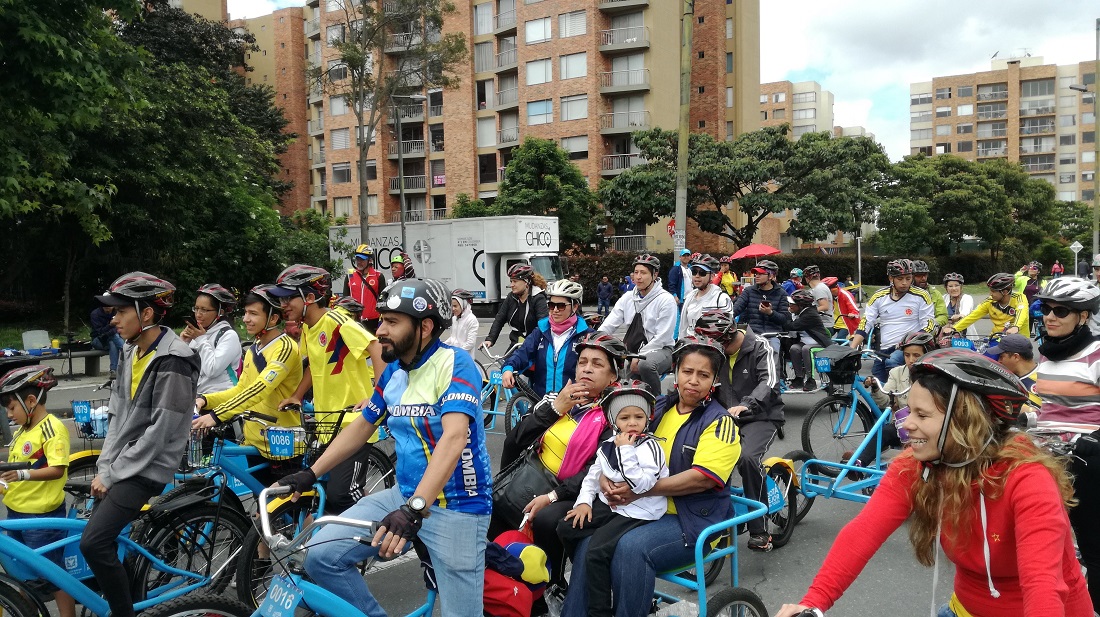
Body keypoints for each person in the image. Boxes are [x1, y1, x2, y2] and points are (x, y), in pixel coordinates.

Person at [776, 348, 1091, 617]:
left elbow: (1043, 584)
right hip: (964, 608)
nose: (906, 424)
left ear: (964, 421)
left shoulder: (1027, 478)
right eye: (909, 411)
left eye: (922, 416)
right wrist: (812, 604)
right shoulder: (916, 465)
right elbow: (861, 535)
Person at [279, 278, 492, 617]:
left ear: (424, 327)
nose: (380, 330)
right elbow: (363, 425)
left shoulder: (455, 364)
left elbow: (454, 438)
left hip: (458, 506)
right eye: (381, 320)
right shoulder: (394, 371)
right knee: (321, 556)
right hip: (403, 495)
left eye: (392, 322)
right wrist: (310, 472)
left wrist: (414, 509)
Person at [560, 335, 741, 617]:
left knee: (630, 549)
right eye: (687, 371)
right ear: (676, 372)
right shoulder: (657, 408)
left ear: (714, 379)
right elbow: (617, 446)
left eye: (703, 375)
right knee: (587, 544)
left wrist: (641, 491)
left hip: (691, 519)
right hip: (640, 510)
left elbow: (702, 478)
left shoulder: (720, 422)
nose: (693, 380)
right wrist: (604, 479)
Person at [85, 272, 199, 617]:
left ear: (146, 313)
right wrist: (105, 467)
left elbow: (161, 431)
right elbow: (118, 416)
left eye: (120, 311)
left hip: (149, 467)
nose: (113, 319)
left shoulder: (175, 358)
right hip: (125, 464)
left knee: (93, 544)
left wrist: (114, 473)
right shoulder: (132, 351)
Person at [492, 332, 625, 602]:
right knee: (494, 505)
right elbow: (514, 442)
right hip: (533, 475)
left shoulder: (616, 414)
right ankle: (500, 587)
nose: (586, 368)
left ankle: (549, 587)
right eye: (582, 362)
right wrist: (555, 409)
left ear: (613, 377)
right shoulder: (556, 398)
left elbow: (595, 469)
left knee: (547, 519)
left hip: (577, 491)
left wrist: (553, 496)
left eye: (597, 364)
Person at [270, 264, 387, 513]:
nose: (283, 305)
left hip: (354, 422)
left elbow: (375, 346)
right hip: (328, 424)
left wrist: (377, 394)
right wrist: (297, 395)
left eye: (289, 298)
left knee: (342, 495)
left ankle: (381, 528)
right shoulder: (309, 328)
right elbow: (316, 363)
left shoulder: (335, 320)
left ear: (309, 298)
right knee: (323, 493)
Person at [557, 381, 668, 617]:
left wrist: (627, 450)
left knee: (596, 550)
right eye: (624, 417)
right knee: (567, 527)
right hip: (613, 506)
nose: (632, 423)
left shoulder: (651, 447)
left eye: (638, 416)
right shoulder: (608, 445)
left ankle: (599, 611)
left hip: (639, 510)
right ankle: (596, 576)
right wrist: (584, 503)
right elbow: (592, 476)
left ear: (648, 418)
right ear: (613, 421)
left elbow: (641, 484)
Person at [1031, 277, 1100, 610]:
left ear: (1083, 316)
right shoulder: (1048, 354)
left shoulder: (1096, 354)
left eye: (1062, 311)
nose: (1050, 317)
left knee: (1091, 544)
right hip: (1046, 455)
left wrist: (1094, 439)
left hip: (1086, 457)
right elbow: (1046, 406)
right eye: (1046, 309)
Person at [193, 285, 304, 484]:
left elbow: (260, 388)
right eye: (245, 313)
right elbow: (241, 389)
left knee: (286, 508)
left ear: (273, 319)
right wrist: (205, 400)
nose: (245, 319)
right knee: (261, 503)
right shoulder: (254, 349)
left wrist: (216, 415)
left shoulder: (285, 347)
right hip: (253, 440)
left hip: (281, 442)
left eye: (253, 313)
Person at [694, 310, 784, 550]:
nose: (710, 349)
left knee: (746, 459)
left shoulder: (761, 346)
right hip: (725, 416)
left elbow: (770, 382)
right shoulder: (715, 352)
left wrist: (747, 405)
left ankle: (759, 528)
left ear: (726, 337)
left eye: (714, 343)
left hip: (762, 415)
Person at [1, 366, 76, 617]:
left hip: (40, 518)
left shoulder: (52, 428)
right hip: (17, 513)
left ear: (31, 401)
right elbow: (16, 472)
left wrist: (22, 475)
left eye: (12, 408)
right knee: (24, 574)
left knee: (54, 573)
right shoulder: (23, 431)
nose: (9, 414)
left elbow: (57, 469)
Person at [598, 254, 677, 395]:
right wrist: (595, 341)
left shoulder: (666, 299)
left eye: (644, 272)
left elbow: (663, 337)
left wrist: (640, 355)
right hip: (631, 350)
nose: (638, 277)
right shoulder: (628, 297)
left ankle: (657, 401)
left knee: (646, 365)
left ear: (655, 275)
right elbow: (609, 324)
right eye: (636, 272)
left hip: (662, 349)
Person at [849, 259, 936, 383]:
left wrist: (908, 342)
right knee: (876, 382)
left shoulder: (921, 295)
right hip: (885, 349)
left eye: (908, 278)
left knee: (892, 363)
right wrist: (852, 347)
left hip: (908, 349)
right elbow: (866, 322)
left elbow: (929, 325)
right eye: (900, 279)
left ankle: (902, 397)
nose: (905, 283)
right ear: (891, 278)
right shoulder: (879, 296)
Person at [502, 279, 591, 399]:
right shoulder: (541, 331)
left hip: (573, 406)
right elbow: (522, 353)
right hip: (542, 404)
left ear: (575, 307)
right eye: (551, 305)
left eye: (561, 306)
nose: (554, 310)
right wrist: (508, 368)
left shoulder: (587, 336)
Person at [182, 283, 242, 395]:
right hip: (197, 397)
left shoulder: (228, 336)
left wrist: (200, 339)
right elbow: (183, 367)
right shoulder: (198, 334)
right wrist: (183, 343)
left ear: (220, 312)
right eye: (196, 308)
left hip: (221, 399)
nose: (198, 314)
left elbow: (212, 370)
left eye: (204, 310)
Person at [730, 259, 793, 352]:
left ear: (771, 276)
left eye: (760, 273)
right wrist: (728, 316)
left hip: (773, 335)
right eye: (756, 273)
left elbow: (785, 319)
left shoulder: (782, 294)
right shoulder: (748, 291)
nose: (756, 276)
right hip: (752, 335)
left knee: (773, 354)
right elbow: (736, 309)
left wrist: (770, 313)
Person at [941, 273, 1028, 340]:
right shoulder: (989, 301)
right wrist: (954, 328)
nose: (990, 294)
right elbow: (972, 316)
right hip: (996, 339)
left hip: (1018, 340)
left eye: (993, 291)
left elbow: (1022, 312)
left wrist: (1016, 327)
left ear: (1005, 292)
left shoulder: (1019, 298)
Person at [483, 263, 549, 350]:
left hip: (535, 345)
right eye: (511, 281)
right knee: (507, 363)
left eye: (515, 281)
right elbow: (500, 319)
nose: (512, 285)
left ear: (526, 282)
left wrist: (531, 342)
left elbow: (542, 325)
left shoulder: (538, 298)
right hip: (517, 344)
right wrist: (490, 339)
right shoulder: (511, 297)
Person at [784, 290, 833, 392]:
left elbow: (792, 326)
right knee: (794, 349)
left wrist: (777, 316)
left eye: (792, 304)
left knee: (807, 349)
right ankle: (799, 378)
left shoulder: (809, 314)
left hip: (819, 343)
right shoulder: (799, 313)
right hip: (805, 342)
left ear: (801, 305)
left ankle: (811, 380)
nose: (790, 306)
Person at [677, 254, 733, 338]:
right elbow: (683, 328)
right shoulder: (690, 297)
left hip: (710, 347)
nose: (697, 276)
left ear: (712, 276)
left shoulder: (722, 299)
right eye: (694, 272)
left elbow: (727, 330)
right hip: (689, 346)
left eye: (702, 273)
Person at [986, 333, 1041, 408]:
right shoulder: (1012, 378)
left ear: (1016, 357)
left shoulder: (1044, 380)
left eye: (1001, 357)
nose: (999, 361)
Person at [342, 244, 387, 332]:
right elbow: (345, 300)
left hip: (373, 322)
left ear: (370, 260)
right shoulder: (350, 276)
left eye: (362, 259)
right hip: (354, 321)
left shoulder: (378, 276)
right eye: (357, 259)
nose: (359, 262)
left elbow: (383, 301)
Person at [89, 303, 124, 379]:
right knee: (114, 336)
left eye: (110, 306)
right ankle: (126, 350)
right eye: (105, 306)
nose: (107, 308)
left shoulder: (117, 312)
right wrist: (110, 325)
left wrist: (111, 331)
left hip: (112, 340)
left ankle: (113, 371)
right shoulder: (95, 314)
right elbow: (100, 332)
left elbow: (121, 326)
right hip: (98, 340)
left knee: (112, 343)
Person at [911, 260, 948, 328]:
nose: (923, 278)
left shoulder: (935, 293)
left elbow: (943, 316)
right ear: (911, 276)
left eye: (925, 275)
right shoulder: (904, 293)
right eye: (919, 275)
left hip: (928, 332)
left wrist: (931, 325)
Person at [444, 288, 479, 355]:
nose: (453, 309)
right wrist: (442, 346)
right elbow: (452, 338)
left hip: (465, 358)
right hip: (454, 356)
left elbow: (470, 343)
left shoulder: (472, 319)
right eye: (451, 306)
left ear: (463, 305)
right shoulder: (454, 319)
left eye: (455, 306)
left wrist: (457, 352)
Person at [802, 265, 834, 333]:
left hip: (824, 325)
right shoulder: (815, 289)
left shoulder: (819, 289)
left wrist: (807, 312)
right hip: (818, 324)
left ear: (807, 278)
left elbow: (825, 306)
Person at [942, 273, 975, 337]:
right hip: (945, 335)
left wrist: (960, 316)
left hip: (964, 336)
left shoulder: (967, 298)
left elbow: (966, 311)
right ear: (946, 288)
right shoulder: (943, 298)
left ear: (961, 287)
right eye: (950, 286)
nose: (954, 288)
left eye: (956, 285)